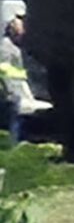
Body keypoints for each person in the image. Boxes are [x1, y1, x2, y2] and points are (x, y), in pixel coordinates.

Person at [0, 15, 29, 146]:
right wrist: (9, 91)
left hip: (13, 89)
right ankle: (12, 145)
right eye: (21, 29)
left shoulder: (13, 46)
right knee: (12, 120)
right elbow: (4, 69)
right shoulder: (6, 47)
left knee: (15, 119)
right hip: (9, 90)